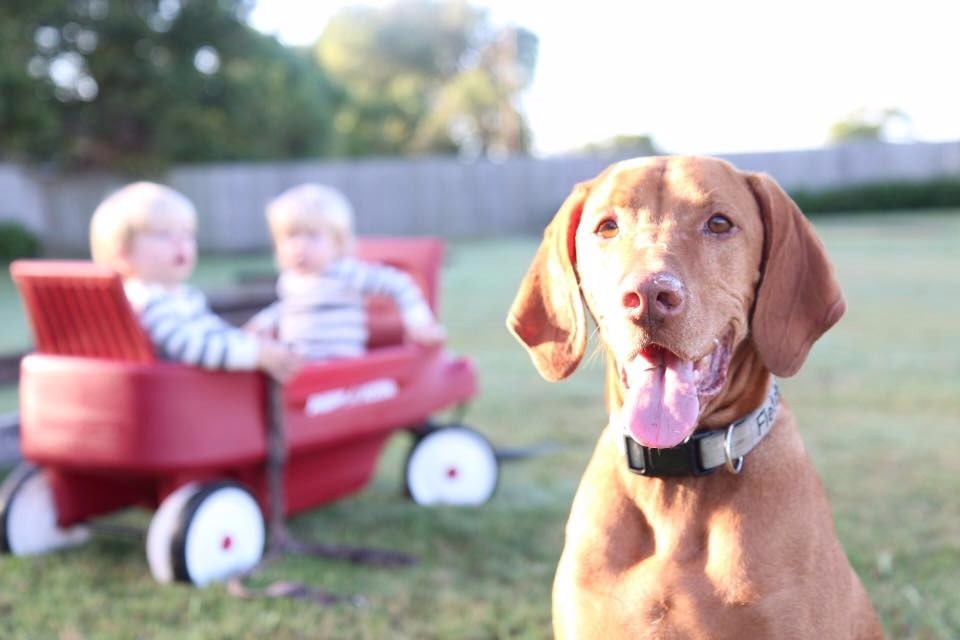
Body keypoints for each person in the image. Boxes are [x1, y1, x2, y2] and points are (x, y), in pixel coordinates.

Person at [89, 181, 301, 381]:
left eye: (187, 234)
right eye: (163, 234)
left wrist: (248, 341)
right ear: (123, 253)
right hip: (183, 396)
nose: (180, 242)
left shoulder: (183, 296)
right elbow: (190, 348)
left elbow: (213, 332)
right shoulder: (146, 300)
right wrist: (256, 354)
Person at [246, 183, 446, 360]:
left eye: (312, 236)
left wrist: (418, 321)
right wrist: (262, 322)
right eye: (291, 236)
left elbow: (399, 284)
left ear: (338, 243)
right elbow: (289, 308)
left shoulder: (347, 273)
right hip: (299, 368)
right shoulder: (290, 280)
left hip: (342, 370)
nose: (300, 247)